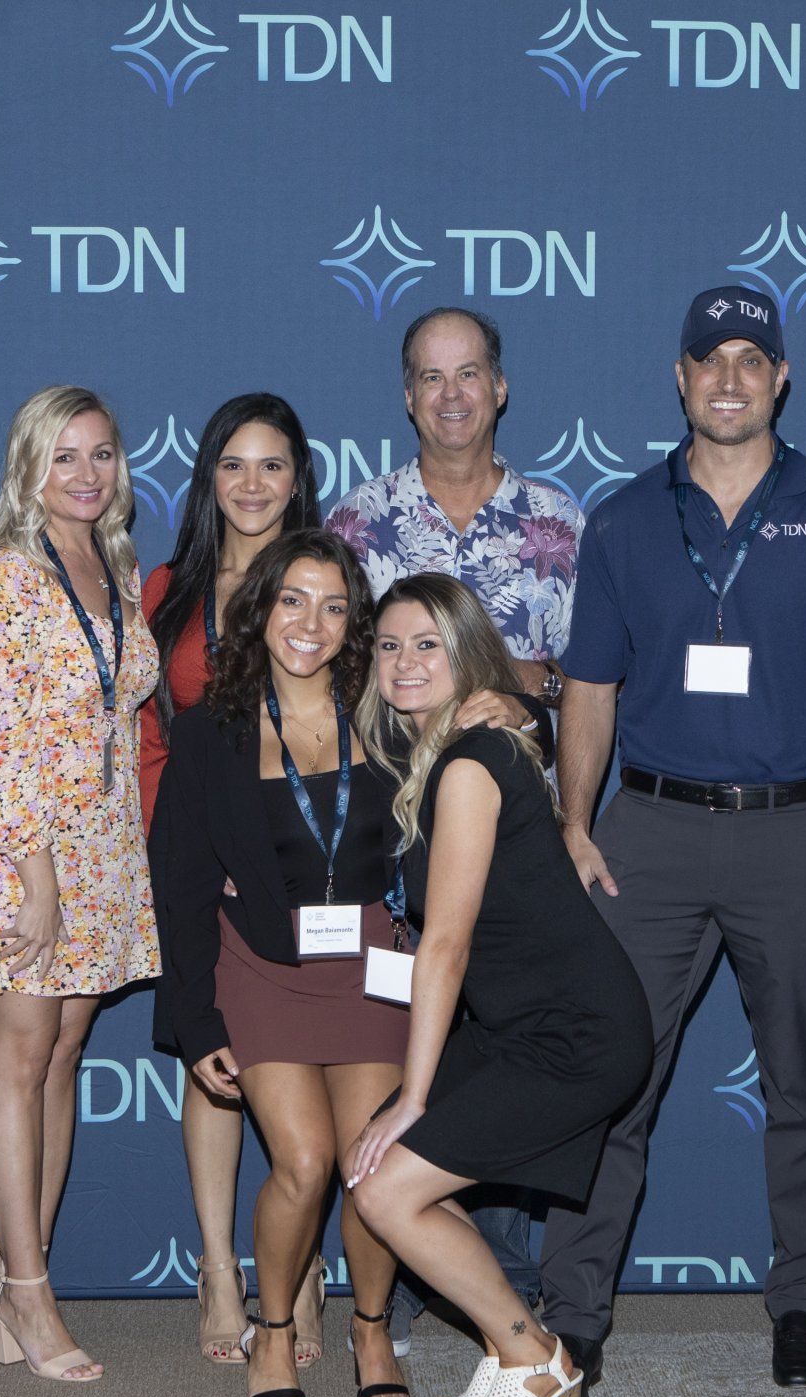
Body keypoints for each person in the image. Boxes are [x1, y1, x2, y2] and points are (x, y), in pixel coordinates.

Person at [550, 287, 806, 1391]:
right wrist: (573, 822)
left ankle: (798, 1302)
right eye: (712, 359)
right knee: (612, 1075)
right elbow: (589, 688)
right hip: (650, 831)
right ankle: (574, 1311)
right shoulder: (624, 518)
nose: (731, 378)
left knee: (800, 1082)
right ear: (682, 376)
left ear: (781, 377)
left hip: (797, 830)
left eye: (753, 358)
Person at [346, 575, 649, 1397]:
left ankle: (532, 1358)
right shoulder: (443, 748)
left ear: (467, 655)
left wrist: (414, 1096)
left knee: (390, 1186)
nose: (405, 663)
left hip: (576, 1034)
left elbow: (444, 945)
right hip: (521, 1026)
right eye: (390, 645)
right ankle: (526, 1348)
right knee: (379, 1179)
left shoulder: (473, 761)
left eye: (428, 645)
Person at [326, 305, 581, 1327]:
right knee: (409, 1027)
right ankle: (406, 1264)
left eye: (468, 372)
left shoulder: (556, 521)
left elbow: (587, 682)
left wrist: (521, 686)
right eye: (431, 377)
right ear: (407, 396)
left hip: (510, 833)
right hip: (394, 828)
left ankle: (502, 1281)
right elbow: (332, 669)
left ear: (500, 386)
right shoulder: (357, 523)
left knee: (508, 1038)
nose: (452, 394)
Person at [150, 531, 414, 1397]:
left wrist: (509, 705)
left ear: (354, 622)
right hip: (261, 965)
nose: (312, 622)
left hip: (371, 965)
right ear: (261, 609)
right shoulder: (207, 734)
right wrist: (196, 1020)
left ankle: (370, 1327)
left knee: (370, 1164)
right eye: (294, 600)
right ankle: (272, 1328)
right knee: (302, 1161)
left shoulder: (389, 715)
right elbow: (182, 888)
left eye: (335, 606)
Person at [0, 385, 158, 1383]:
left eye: (101, 453)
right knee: (20, 1058)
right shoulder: (8, 574)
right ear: (30, 466)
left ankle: (15, 1268)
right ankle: (29, 1292)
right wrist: (36, 877)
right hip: (23, 852)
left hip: (101, 846)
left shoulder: (114, 561)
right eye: (64, 455)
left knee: (65, 1053)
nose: (86, 473)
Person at [141, 393, 323, 1367]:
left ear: (299, 480)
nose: (252, 484)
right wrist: (164, 849)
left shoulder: (325, 580)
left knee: (310, 1056)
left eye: (272, 465)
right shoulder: (169, 587)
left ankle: (301, 1271)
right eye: (234, 464)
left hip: (302, 851)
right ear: (209, 476)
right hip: (194, 852)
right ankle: (219, 1268)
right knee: (209, 1058)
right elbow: (143, 728)